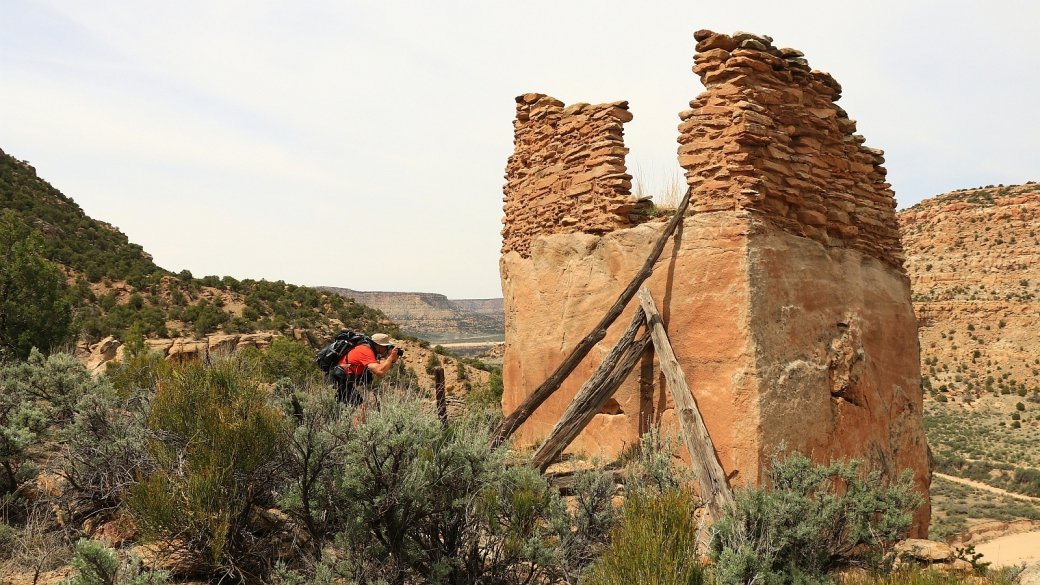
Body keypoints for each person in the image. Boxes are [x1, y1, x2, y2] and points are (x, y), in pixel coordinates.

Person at [332, 332, 400, 408]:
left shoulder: (368, 349)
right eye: (386, 346)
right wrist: (390, 358)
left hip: (342, 379)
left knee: (346, 408)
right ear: (378, 345)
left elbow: (379, 364)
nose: (387, 349)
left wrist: (392, 360)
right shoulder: (365, 350)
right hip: (339, 380)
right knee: (361, 407)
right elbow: (380, 371)